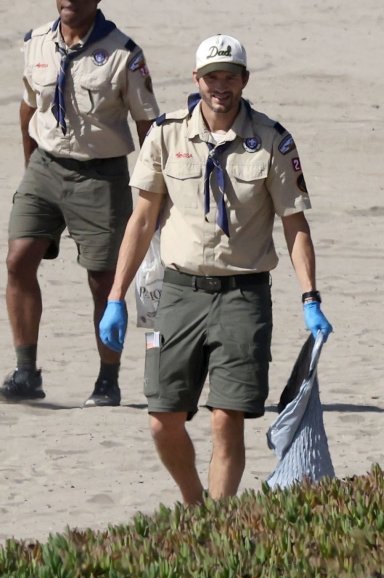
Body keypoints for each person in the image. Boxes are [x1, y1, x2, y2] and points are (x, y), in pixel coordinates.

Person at [99, 34, 332, 503]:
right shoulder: (166, 133)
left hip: (244, 297)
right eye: (211, 76)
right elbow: (141, 219)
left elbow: (295, 224)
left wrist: (310, 297)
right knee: (161, 419)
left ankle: (217, 524)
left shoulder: (271, 140)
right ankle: (195, 503)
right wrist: (115, 299)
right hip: (177, 294)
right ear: (196, 80)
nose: (219, 86)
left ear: (244, 80)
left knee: (226, 418)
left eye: (229, 76)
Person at [0, 0, 159, 407]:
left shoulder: (124, 53)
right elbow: (28, 107)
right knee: (18, 260)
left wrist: (152, 195)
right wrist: (30, 165)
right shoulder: (37, 42)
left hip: (100, 175)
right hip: (44, 166)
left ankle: (107, 380)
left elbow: (148, 126)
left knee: (103, 280)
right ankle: (25, 372)